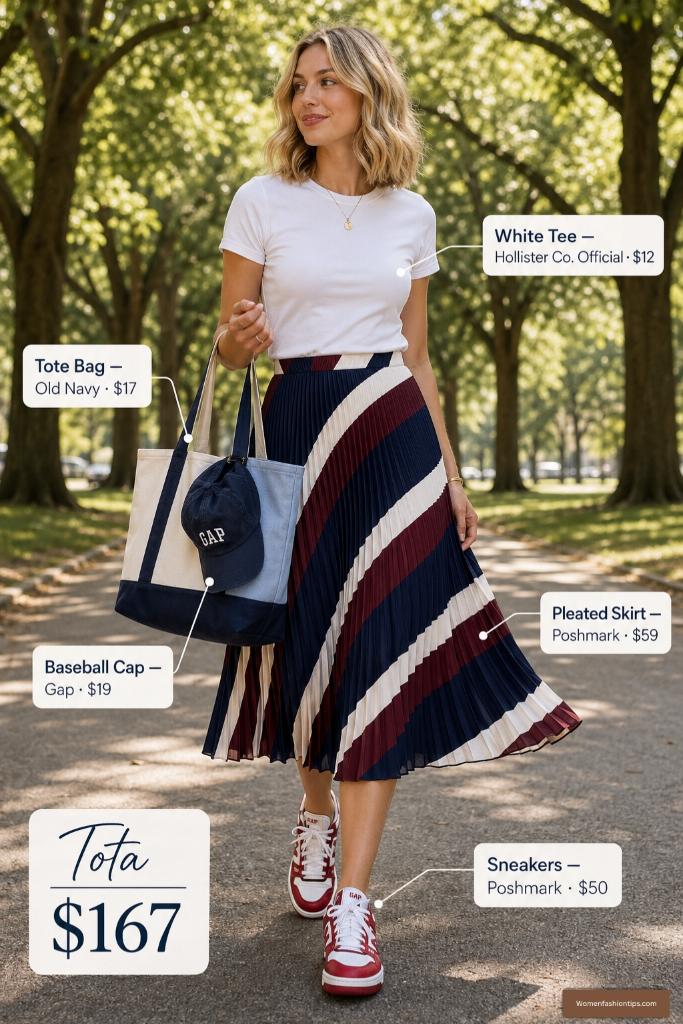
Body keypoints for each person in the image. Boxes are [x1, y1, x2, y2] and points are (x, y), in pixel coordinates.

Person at [209, 24, 581, 997]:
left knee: (376, 644)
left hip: (394, 434)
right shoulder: (260, 201)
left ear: (369, 91)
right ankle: (315, 814)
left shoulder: (410, 212)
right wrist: (238, 342)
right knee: (307, 648)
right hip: (295, 427)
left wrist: (451, 476)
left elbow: (415, 354)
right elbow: (229, 345)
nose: (309, 97)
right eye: (298, 85)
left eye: (328, 81)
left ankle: (354, 906)